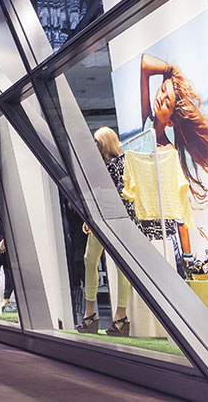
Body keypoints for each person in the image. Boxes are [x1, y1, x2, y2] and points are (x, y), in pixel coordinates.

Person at [78, 127, 141, 337]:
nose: (94, 146)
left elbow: (122, 195)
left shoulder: (120, 163)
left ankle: (120, 316)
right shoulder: (100, 166)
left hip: (117, 219)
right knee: (89, 260)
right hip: (101, 219)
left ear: (105, 143)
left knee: (120, 266)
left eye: (97, 142)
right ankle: (90, 314)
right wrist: (89, 217)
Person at [141, 54, 208, 208]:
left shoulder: (168, 151)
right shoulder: (147, 124)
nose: (161, 98)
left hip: (158, 223)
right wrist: (172, 71)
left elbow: (176, 203)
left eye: (167, 103)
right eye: (163, 90)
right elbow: (145, 63)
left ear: (170, 122)